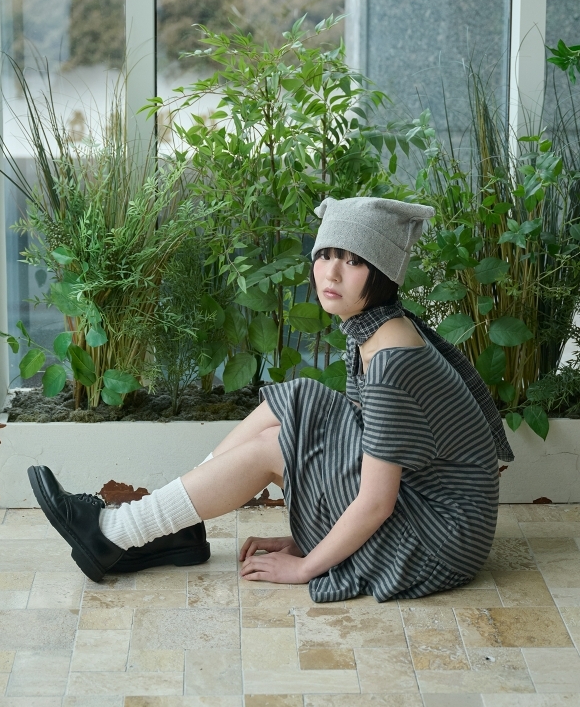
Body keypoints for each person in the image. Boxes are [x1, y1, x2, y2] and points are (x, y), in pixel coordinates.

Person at [28, 196, 514, 601]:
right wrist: (309, 532)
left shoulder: (393, 361)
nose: (331, 273)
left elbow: (375, 502)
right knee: (300, 396)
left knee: (276, 446)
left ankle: (116, 533)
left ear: (383, 272)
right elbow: (365, 447)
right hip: (430, 511)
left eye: (354, 260)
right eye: (326, 254)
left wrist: (306, 563)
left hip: (437, 542)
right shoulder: (377, 328)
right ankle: (174, 523)